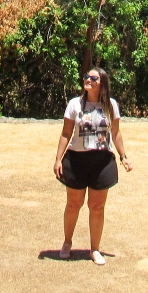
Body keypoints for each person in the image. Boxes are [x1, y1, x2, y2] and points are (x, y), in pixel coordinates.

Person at [53, 67, 132, 265]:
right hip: (76, 160)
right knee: (73, 204)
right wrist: (58, 159)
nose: (87, 79)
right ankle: (67, 243)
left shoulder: (111, 105)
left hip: (102, 162)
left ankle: (95, 249)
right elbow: (66, 133)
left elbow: (116, 133)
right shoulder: (74, 104)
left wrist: (123, 156)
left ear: (102, 83)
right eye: (86, 77)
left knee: (97, 207)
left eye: (93, 77)